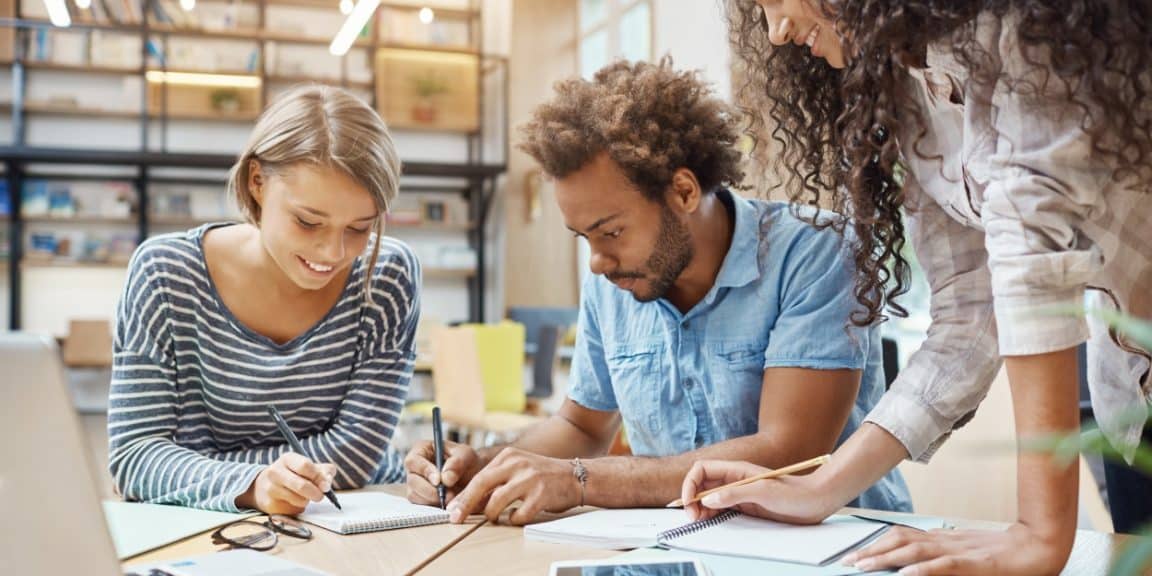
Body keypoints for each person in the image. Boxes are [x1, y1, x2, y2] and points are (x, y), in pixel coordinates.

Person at [681, 2, 1152, 574]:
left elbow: (1032, 251)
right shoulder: (906, 88)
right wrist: (819, 487)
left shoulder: (1022, 25)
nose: (774, 30)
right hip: (1133, 401)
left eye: (776, 1)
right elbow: (969, 313)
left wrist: (1040, 531)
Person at [404, 59, 911, 525]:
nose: (597, 262)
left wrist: (580, 481)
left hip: (822, 552)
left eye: (611, 232)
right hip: (676, 547)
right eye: (584, 238)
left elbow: (789, 454)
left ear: (684, 191)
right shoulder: (614, 282)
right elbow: (582, 427)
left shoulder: (816, 252)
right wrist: (487, 467)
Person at [108, 85, 420, 514]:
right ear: (257, 182)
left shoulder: (386, 275)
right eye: (308, 222)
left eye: (359, 228)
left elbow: (355, 454)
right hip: (212, 532)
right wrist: (252, 485)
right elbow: (134, 456)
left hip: (357, 514)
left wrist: (197, 470)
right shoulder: (165, 274)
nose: (333, 253)